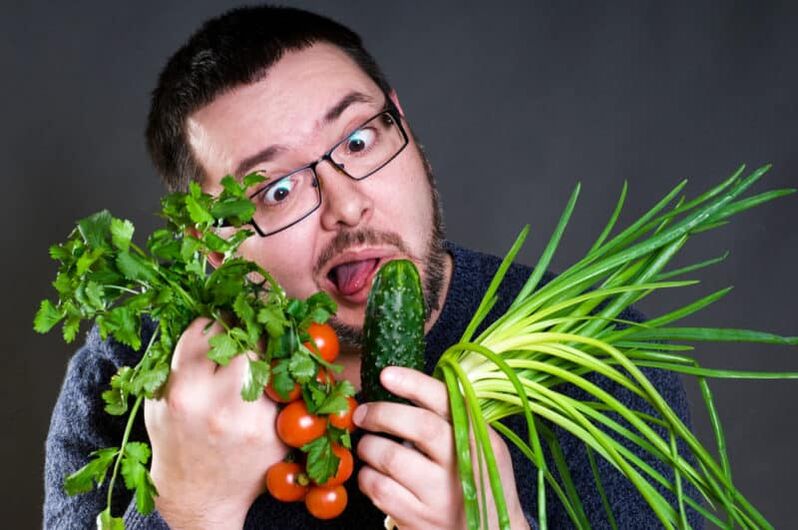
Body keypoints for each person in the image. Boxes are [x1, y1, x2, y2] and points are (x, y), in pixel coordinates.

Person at [44, 5, 700, 529]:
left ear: (405, 129)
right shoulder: (130, 377)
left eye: (358, 140)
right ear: (211, 245)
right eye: (276, 190)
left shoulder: (599, 355)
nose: (347, 202)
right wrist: (190, 513)